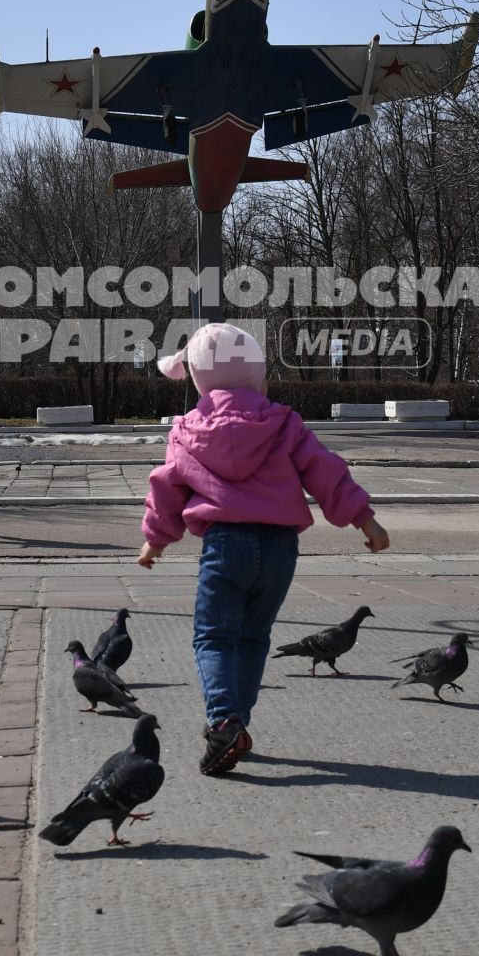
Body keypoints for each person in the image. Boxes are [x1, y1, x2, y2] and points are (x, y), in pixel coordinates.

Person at [138, 321, 388, 776]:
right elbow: (324, 470)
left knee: (213, 636)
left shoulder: (189, 430)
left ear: (197, 379)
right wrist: (364, 519)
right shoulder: (284, 423)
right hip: (278, 547)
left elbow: (166, 489)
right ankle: (238, 726)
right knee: (253, 636)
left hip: (225, 545)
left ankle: (224, 723)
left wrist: (155, 541)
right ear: (257, 376)